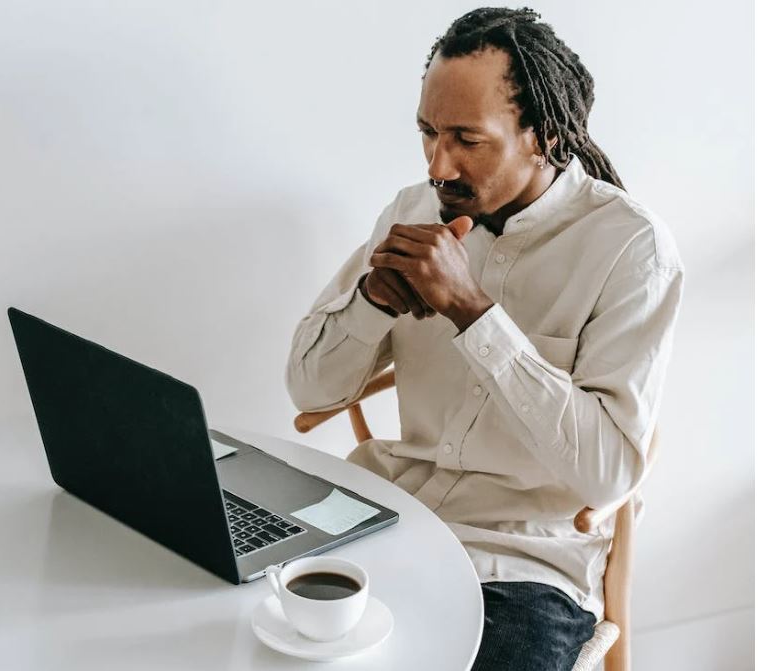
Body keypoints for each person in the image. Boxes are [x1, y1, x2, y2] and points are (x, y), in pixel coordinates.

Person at [285, 7, 683, 670]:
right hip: (384, 513)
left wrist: (474, 312)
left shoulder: (631, 249)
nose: (437, 164)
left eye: (466, 139)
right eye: (427, 132)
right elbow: (308, 389)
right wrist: (373, 300)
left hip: (524, 565)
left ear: (543, 136)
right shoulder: (411, 211)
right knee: (226, 615)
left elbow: (609, 471)